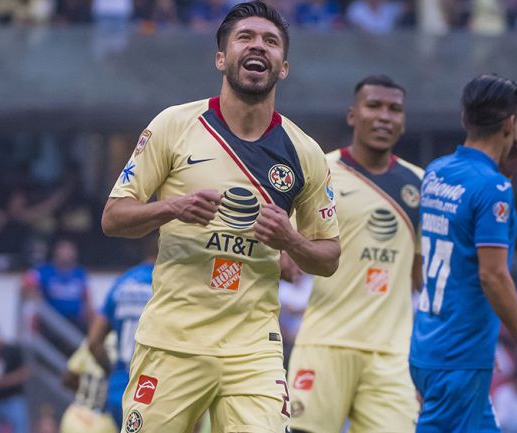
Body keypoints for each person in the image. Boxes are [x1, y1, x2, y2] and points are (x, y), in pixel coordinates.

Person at [100, 1, 341, 431]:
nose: (258, 47)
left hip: (254, 349)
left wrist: (291, 240)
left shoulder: (304, 152)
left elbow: (328, 257)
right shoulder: (174, 125)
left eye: (270, 42)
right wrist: (171, 207)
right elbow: (114, 217)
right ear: (220, 58)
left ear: (283, 67)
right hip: (172, 341)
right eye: (245, 38)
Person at [409, 73, 517, 433]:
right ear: (511, 123)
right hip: (458, 357)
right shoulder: (493, 188)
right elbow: (492, 274)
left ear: (464, 118)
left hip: (431, 345)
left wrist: (504, 171)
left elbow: (460, 230)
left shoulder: (436, 172)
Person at [287, 75, 422, 433]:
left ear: (404, 121)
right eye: (373, 106)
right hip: (324, 343)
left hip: (391, 354)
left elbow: (421, 274)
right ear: (352, 115)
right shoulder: (321, 172)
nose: (384, 117)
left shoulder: (419, 185)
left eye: (394, 109)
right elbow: (283, 249)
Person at [87, 235, 156, 427]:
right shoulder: (169, 283)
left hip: (120, 386)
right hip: (154, 385)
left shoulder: (122, 283)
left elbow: (93, 342)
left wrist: (113, 371)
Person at [23, 238, 92, 332]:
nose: (67, 254)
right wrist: (35, 296)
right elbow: (26, 282)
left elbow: (86, 296)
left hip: (74, 321)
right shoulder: (45, 271)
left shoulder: (79, 273)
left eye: (70, 251)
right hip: (51, 321)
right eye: (64, 251)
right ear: (56, 252)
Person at [60, 335, 118, 433]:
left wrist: (86, 392)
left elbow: (67, 379)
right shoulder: (126, 345)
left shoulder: (90, 341)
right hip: (103, 422)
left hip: (75, 415)